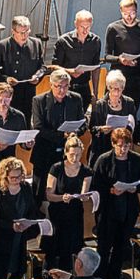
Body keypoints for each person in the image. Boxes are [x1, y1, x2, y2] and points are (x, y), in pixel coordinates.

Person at [91, 128, 140, 279]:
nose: (123, 149)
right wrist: (111, 190)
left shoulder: (136, 160)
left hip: (128, 210)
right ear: (113, 144)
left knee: (120, 249)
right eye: (120, 145)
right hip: (108, 211)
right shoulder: (104, 160)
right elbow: (96, 186)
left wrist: (133, 188)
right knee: (104, 249)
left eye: (127, 145)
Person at [31, 69, 87, 205]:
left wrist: (76, 133)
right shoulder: (39, 100)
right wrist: (62, 135)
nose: (62, 90)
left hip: (67, 155)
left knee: (63, 194)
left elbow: (83, 123)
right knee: (40, 194)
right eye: (58, 86)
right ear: (51, 84)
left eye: (66, 86)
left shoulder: (76, 99)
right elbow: (38, 128)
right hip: (45, 152)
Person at [44, 134, 93, 272]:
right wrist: (61, 198)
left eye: (78, 155)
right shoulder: (56, 168)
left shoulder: (86, 171)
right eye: (72, 154)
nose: (75, 158)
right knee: (52, 251)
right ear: (66, 152)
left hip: (74, 214)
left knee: (69, 251)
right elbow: (49, 195)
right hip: (57, 214)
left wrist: (84, 197)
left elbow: (83, 193)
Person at [0, 16, 45, 126]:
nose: (24, 35)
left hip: (28, 92)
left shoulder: (36, 44)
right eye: (21, 32)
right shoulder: (2, 46)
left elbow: (42, 67)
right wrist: (6, 79)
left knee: (25, 122)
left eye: (27, 31)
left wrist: (37, 76)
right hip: (8, 95)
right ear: (13, 31)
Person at [104, 0, 140, 111]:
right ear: (121, 12)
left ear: (136, 11)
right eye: (126, 13)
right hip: (116, 78)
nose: (129, 17)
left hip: (135, 79)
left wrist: (136, 62)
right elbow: (107, 56)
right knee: (111, 110)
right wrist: (119, 59)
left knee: (131, 112)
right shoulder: (113, 28)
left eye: (132, 13)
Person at [52, 10, 102, 110]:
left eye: (88, 27)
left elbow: (96, 67)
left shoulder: (95, 41)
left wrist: (95, 92)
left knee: (81, 120)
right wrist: (69, 72)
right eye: (82, 27)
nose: (85, 31)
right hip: (66, 88)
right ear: (75, 24)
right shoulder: (63, 41)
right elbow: (53, 67)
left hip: (84, 87)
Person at [88, 70, 136, 163]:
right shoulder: (100, 105)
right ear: (108, 87)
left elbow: (134, 123)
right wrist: (102, 129)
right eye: (114, 88)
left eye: (120, 88)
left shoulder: (129, 103)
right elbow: (92, 128)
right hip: (103, 146)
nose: (117, 92)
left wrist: (127, 128)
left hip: (122, 147)